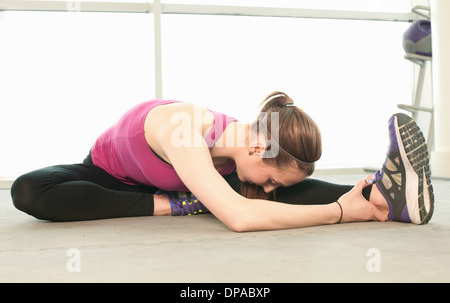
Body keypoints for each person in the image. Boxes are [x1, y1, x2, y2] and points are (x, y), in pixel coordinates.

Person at [10, 92, 434, 231]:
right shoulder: (184, 129)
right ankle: (176, 203)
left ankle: (385, 194)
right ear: (257, 150)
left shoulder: (239, 151)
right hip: (109, 175)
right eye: (271, 177)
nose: (269, 186)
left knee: (274, 193)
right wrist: (339, 212)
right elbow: (239, 219)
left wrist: (348, 200)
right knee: (30, 191)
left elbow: (265, 193)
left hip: (189, 180)